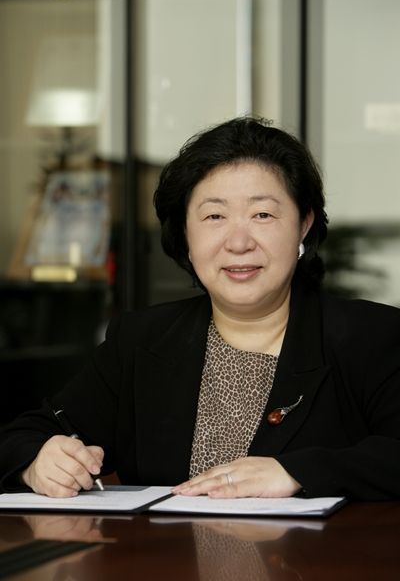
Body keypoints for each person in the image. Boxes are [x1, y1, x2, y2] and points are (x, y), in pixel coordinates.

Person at [1, 116, 400, 501]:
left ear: (304, 224)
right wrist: (38, 462)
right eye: (214, 216)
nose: (239, 242)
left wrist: (296, 472)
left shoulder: (371, 337)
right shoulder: (143, 340)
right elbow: (25, 435)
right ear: (185, 234)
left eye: (262, 214)